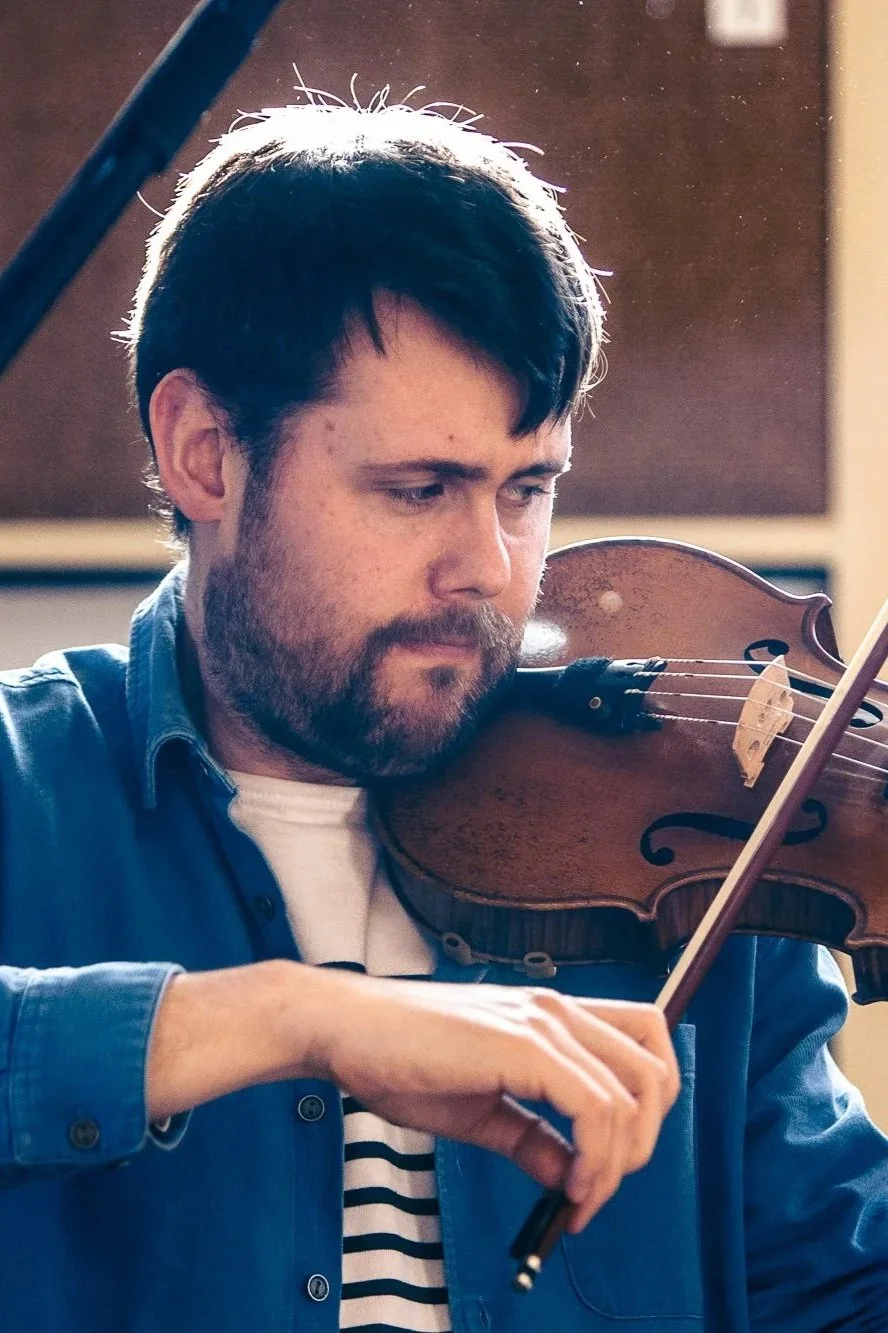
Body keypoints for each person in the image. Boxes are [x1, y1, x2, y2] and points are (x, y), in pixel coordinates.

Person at [0, 99, 886, 1333]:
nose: (489, 567)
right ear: (206, 453)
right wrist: (298, 1016)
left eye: (528, 488)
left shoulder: (690, 849)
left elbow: (839, 1283)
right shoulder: (23, 789)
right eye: (419, 489)